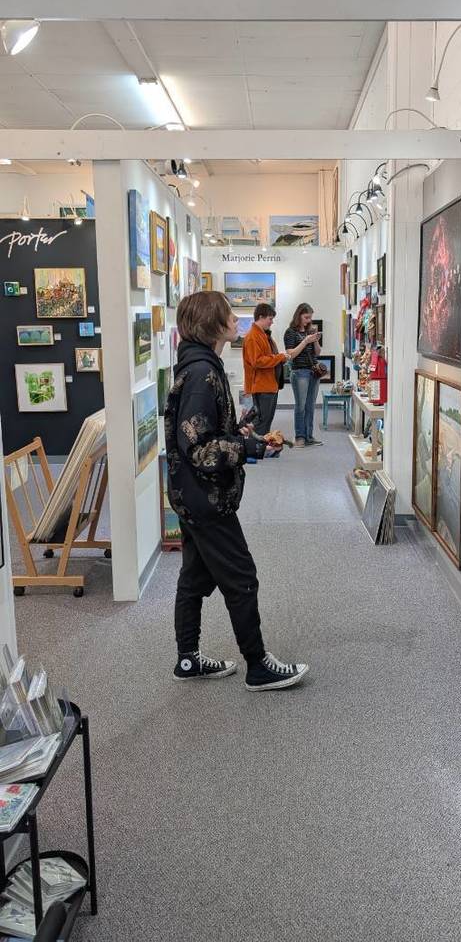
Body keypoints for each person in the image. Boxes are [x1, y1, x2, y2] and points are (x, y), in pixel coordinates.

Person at [165, 290, 309, 691]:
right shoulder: (201, 375)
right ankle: (258, 666)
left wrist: (235, 431)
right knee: (242, 577)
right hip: (205, 498)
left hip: (192, 495)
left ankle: (188, 660)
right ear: (212, 324)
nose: (236, 320)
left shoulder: (199, 365)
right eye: (230, 314)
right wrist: (249, 447)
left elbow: (201, 434)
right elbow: (198, 449)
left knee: (194, 578)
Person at [242, 302, 316, 435]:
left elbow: (266, 357)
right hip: (262, 386)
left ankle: (261, 445)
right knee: (262, 422)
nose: (272, 322)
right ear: (261, 317)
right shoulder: (253, 337)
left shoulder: (263, 335)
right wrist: (280, 357)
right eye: (270, 319)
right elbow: (257, 361)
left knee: (265, 421)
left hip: (268, 384)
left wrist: (279, 357)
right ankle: (257, 446)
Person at [284, 303, 323, 447]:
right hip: (300, 372)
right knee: (300, 406)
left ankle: (309, 436)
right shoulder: (290, 332)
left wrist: (315, 340)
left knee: (310, 406)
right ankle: (300, 437)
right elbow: (291, 354)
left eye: (310, 318)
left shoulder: (309, 332)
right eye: (306, 317)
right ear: (298, 316)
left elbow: (317, 353)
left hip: (313, 372)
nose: (309, 320)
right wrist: (305, 341)